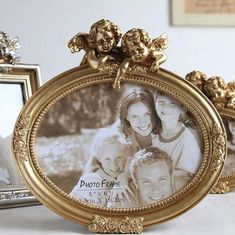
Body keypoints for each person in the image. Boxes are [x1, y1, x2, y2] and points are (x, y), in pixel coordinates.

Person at [152, 91, 202, 190]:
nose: (165, 108)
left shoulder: (186, 142)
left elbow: (186, 178)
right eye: (161, 102)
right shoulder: (153, 131)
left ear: (183, 109)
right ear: (155, 103)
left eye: (172, 104)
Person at [70, 128, 129, 207]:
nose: (114, 164)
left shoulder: (127, 176)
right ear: (99, 159)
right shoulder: (91, 180)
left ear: (125, 155)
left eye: (118, 157)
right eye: (107, 159)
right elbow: (71, 207)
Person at [110, 147, 174, 208]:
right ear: (136, 183)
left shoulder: (181, 191)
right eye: (146, 182)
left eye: (162, 179)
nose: (156, 190)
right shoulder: (121, 203)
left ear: (171, 178)